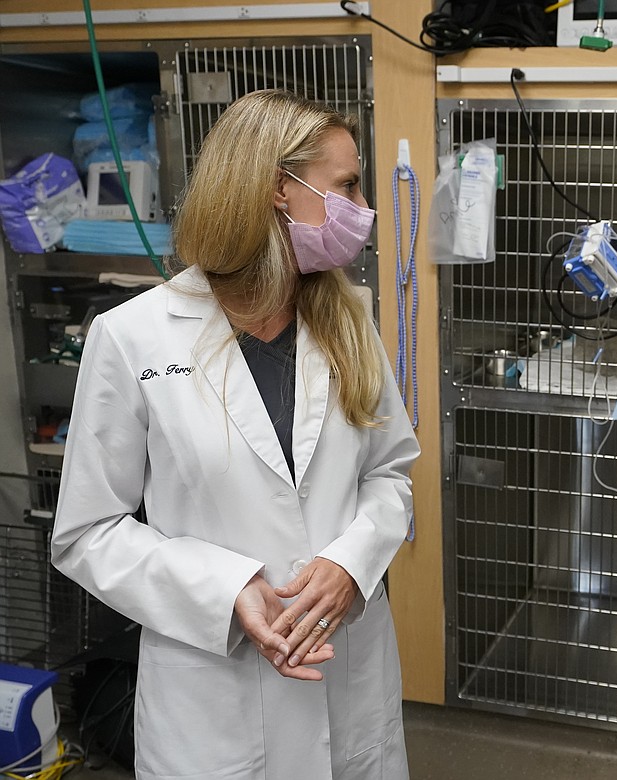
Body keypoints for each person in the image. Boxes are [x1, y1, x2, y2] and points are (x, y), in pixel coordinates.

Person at [51, 89, 420, 779]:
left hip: (350, 682)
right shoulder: (134, 337)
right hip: (212, 703)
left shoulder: (348, 320)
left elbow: (389, 472)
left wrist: (351, 563)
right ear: (280, 189)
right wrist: (226, 589)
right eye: (345, 185)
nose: (362, 207)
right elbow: (88, 533)